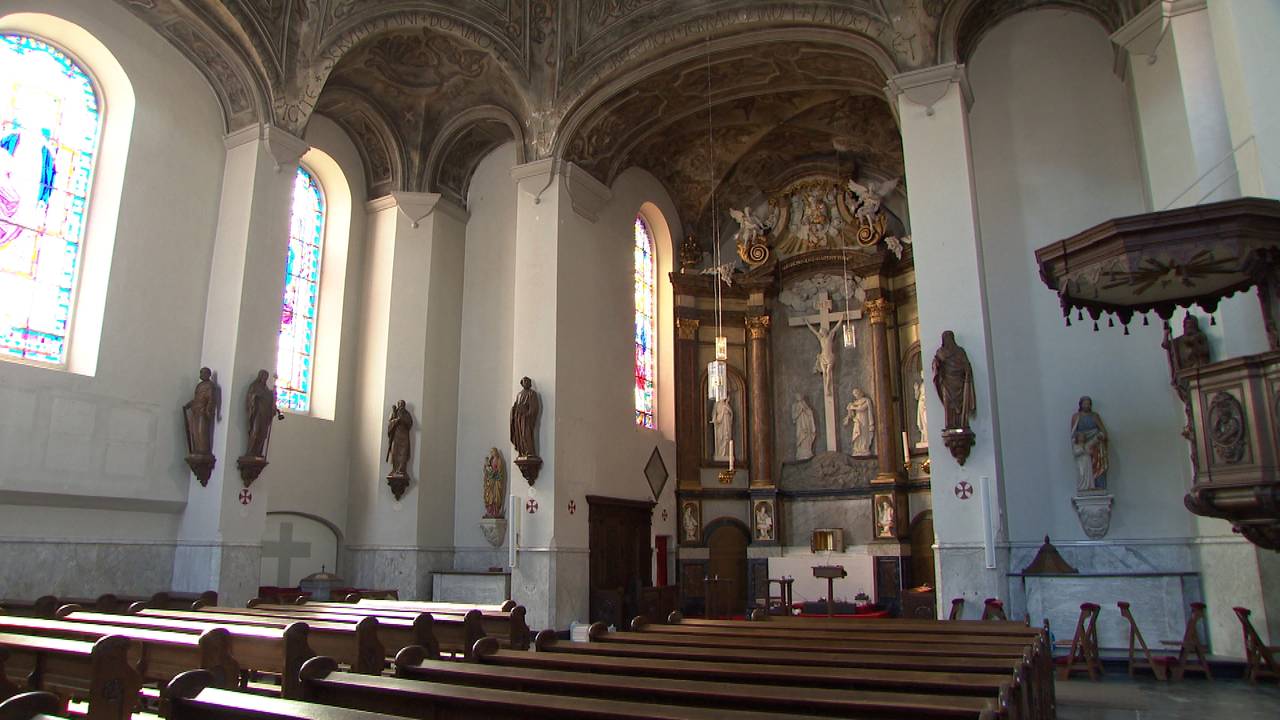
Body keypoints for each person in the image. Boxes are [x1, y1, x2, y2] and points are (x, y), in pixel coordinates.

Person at [932, 331, 976, 430]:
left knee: (961, 405)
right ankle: (950, 425)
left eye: (949, 338)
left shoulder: (960, 351)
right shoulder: (941, 352)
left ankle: (962, 424)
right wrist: (936, 363)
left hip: (959, 383)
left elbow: (966, 365)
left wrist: (967, 370)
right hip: (947, 384)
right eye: (946, 338)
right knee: (948, 405)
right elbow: (936, 365)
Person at [1069, 396, 1108, 491]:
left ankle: (1099, 485)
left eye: (1088, 404)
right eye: (1084, 404)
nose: (1086, 406)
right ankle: (1086, 486)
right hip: (1083, 446)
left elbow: (1103, 431)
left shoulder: (1095, 416)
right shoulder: (1076, 416)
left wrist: (1100, 437)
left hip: (1096, 444)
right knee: (1084, 468)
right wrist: (1080, 443)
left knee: (1098, 465)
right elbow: (1073, 434)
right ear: (1080, 405)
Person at [245, 370, 282, 458]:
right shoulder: (254, 386)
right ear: (260, 376)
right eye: (263, 377)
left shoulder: (267, 390)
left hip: (265, 415)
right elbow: (250, 397)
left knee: (263, 435)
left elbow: (271, 401)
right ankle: (250, 452)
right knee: (255, 432)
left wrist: (273, 395)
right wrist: (255, 396)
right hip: (258, 413)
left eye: (266, 378)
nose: (265, 379)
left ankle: (258, 452)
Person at [184, 367, 218, 456]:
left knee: (201, 431)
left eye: (203, 373)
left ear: (208, 374)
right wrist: (190, 404)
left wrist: (208, 410)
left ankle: (203, 450)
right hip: (196, 411)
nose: (201, 375)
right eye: (201, 373)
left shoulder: (210, 386)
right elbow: (197, 399)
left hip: (203, 412)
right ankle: (197, 449)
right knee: (194, 431)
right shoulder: (199, 385)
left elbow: (211, 399)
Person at [510, 376, 541, 458]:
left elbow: (534, 407)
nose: (526, 383)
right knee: (520, 435)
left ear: (530, 383)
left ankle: (529, 452)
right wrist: (514, 410)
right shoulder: (519, 394)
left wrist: (528, 414)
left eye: (528, 381)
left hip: (527, 418)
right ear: (522, 383)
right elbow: (516, 405)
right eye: (524, 381)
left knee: (526, 434)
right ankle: (522, 451)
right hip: (518, 417)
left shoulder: (532, 393)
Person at [385, 400, 413, 478]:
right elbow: (390, 423)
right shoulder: (394, 413)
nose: (401, 406)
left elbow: (410, 423)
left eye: (402, 405)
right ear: (398, 405)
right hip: (396, 436)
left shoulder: (407, 414)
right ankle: (395, 470)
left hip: (404, 437)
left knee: (404, 453)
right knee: (395, 452)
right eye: (400, 405)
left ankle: (401, 470)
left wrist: (403, 419)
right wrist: (395, 420)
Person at [843, 387, 874, 455]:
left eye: (856, 393)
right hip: (857, 419)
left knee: (863, 433)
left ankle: (864, 448)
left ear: (860, 393)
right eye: (854, 394)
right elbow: (851, 413)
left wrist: (853, 407)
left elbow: (862, 408)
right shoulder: (855, 402)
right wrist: (848, 416)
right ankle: (857, 449)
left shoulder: (866, 400)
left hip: (864, 419)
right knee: (857, 433)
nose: (855, 395)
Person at [792, 394, 816, 461]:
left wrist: (805, 409)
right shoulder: (794, 406)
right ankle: (801, 453)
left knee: (807, 437)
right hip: (800, 426)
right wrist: (799, 410)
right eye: (797, 396)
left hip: (806, 425)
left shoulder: (805, 404)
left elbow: (810, 413)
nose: (799, 397)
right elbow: (793, 417)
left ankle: (807, 452)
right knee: (801, 438)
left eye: (800, 396)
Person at [711, 396, 733, 461]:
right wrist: (715, 420)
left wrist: (727, 408)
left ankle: (726, 453)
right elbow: (714, 415)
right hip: (720, 425)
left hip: (727, 424)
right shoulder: (717, 404)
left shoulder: (727, 405)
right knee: (721, 438)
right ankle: (720, 453)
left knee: (727, 437)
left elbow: (731, 414)